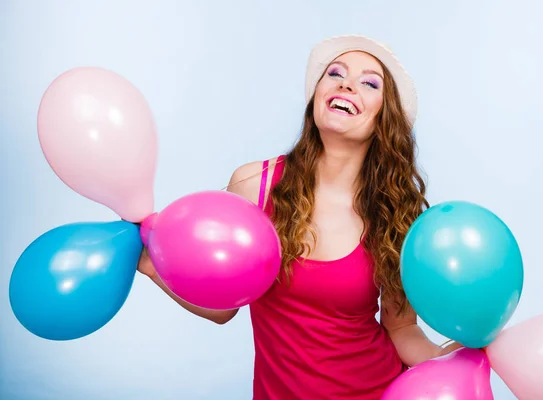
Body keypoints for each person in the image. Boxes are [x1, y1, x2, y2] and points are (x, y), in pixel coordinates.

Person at [137, 34, 462, 399]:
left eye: (369, 82)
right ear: (316, 98)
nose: (346, 83)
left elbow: (400, 327)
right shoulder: (253, 186)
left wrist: (439, 357)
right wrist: (152, 266)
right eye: (335, 73)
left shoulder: (394, 212)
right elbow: (223, 306)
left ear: (384, 119)